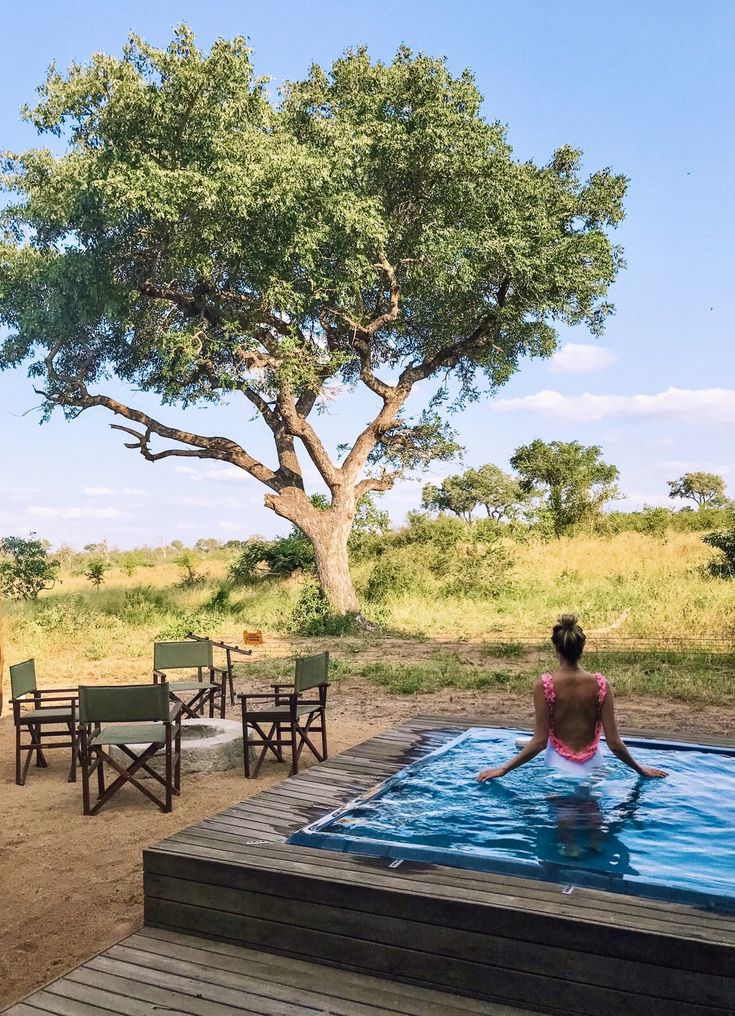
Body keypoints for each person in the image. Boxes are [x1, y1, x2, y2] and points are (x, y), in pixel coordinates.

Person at [477, 615, 668, 783]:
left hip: (558, 764)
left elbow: (539, 742)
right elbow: (614, 743)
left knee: (563, 820)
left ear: (556, 648)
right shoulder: (601, 684)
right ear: (582, 648)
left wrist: (504, 769)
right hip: (594, 765)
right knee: (594, 821)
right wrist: (639, 769)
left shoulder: (544, 685)